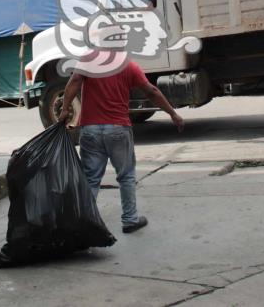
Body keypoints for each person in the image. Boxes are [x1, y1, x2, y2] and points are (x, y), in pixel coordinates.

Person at [58, 61, 184, 234]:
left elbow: (74, 81)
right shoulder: (128, 66)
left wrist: (65, 109)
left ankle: (84, 223)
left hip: (90, 130)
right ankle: (130, 220)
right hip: (118, 129)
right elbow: (151, 91)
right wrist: (173, 113)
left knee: (91, 178)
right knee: (126, 177)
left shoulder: (88, 61)